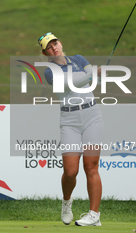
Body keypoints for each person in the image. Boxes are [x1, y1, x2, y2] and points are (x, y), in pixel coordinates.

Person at [37, 32, 104, 226]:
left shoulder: (78, 59)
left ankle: (94, 215)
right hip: (70, 120)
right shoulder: (49, 71)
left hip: (92, 115)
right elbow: (70, 83)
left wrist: (96, 75)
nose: (54, 48)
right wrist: (92, 73)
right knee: (70, 171)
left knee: (91, 166)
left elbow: (91, 82)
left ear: (60, 42)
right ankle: (67, 202)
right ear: (44, 53)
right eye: (48, 47)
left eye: (55, 43)